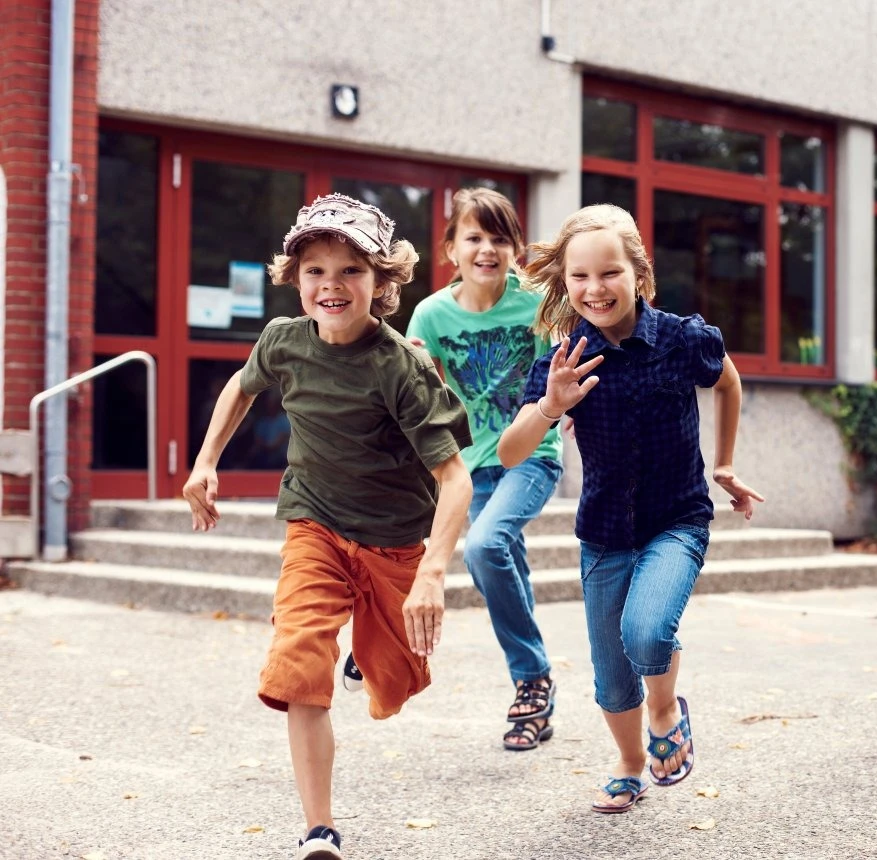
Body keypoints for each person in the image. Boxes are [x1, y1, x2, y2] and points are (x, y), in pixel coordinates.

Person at [181, 193, 473, 859]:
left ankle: (366, 658)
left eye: (350, 271)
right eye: (316, 270)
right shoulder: (283, 340)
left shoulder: (399, 366)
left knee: (396, 678)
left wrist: (432, 574)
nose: (331, 286)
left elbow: (456, 478)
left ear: (382, 281)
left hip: (395, 537)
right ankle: (320, 828)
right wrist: (205, 463)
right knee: (297, 665)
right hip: (314, 521)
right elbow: (241, 387)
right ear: (295, 278)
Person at [497, 204, 764, 813]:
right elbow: (512, 452)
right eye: (580, 277)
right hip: (605, 533)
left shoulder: (681, 338)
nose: (595, 289)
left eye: (609, 273)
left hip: (677, 520)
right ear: (565, 284)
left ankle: (666, 708)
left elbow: (728, 381)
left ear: (638, 274)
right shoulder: (565, 357)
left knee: (646, 634)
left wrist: (724, 463)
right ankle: (628, 761)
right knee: (613, 679)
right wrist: (549, 405)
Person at [346, 187, 564, 752]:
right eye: (474, 237)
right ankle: (379, 640)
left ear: (516, 248)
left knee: (488, 547)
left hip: (530, 458)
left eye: (499, 238)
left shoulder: (538, 304)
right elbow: (426, 399)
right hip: (466, 466)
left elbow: (560, 379)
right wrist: (413, 368)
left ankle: (533, 677)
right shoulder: (433, 314)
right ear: (451, 248)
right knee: (489, 555)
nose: (487, 249)